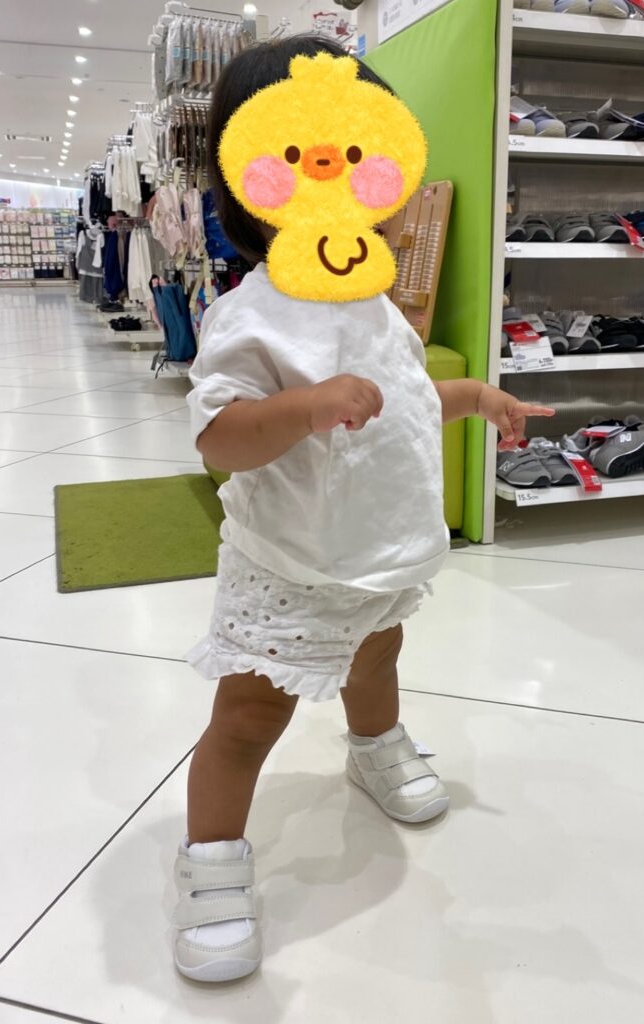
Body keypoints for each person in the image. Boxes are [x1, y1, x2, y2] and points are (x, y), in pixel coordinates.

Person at [173, 34, 554, 984]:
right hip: (291, 562)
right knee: (247, 717)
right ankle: (211, 858)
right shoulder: (251, 313)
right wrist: (304, 407)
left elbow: (407, 397)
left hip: (381, 550)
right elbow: (220, 439)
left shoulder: (377, 301)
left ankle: (373, 746)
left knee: (379, 657)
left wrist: (478, 399)